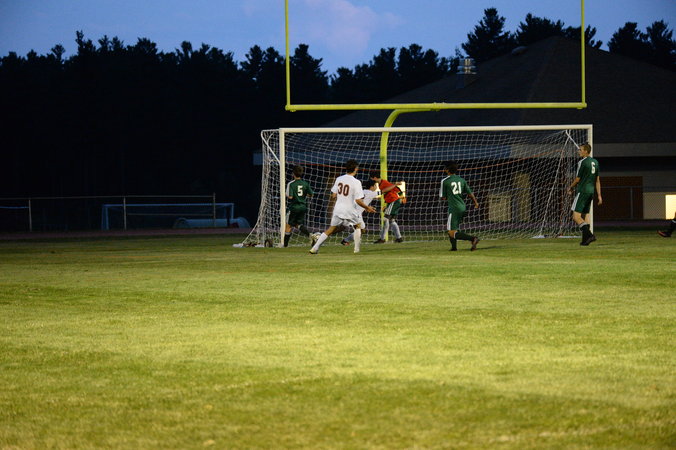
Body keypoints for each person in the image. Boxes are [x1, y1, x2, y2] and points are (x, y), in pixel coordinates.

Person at [310, 160, 376, 254]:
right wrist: (367, 207)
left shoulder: (339, 179)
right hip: (349, 209)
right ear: (355, 169)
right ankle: (356, 250)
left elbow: (333, 195)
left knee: (331, 229)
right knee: (358, 227)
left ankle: (315, 248)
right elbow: (358, 200)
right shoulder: (356, 182)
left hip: (338, 209)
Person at [440, 161, 480, 251]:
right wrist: (476, 203)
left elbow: (443, 197)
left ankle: (473, 239)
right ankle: (454, 248)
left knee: (451, 232)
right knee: (453, 229)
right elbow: (470, 194)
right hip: (462, 206)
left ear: (447, 170)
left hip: (454, 208)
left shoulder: (445, 181)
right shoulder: (462, 180)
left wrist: (449, 196)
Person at [569, 143, 602, 246]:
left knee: (576, 216)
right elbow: (597, 180)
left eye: (580, 149)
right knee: (586, 214)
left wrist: (570, 187)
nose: (578, 151)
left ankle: (590, 235)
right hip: (591, 192)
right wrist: (599, 195)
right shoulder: (595, 162)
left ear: (586, 151)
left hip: (582, 191)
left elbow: (577, 179)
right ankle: (585, 241)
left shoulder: (582, 162)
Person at [341, 179, 379, 246]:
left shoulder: (362, 191)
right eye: (375, 185)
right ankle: (346, 240)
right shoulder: (371, 193)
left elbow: (359, 201)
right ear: (372, 186)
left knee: (359, 230)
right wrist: (395, 186)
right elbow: (384, 191)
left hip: (351, 211)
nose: (376, 187)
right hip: (356, 214)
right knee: (361, 230)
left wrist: (366, 207)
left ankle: (345, 240)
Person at [284, 165, 315, 247]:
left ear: (293, 173)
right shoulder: (305, 183)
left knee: (288, 226)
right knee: (298, 224)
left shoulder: (291, 184)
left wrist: (284, 194)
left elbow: (290, 197)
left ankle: (285, 245)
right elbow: (311, 194)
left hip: (294, 207)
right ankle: (310, 235)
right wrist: (304, 195)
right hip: (303, 207)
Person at [370, 171, 404, 243]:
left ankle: (382, 239)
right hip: (392, 202)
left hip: (393, 201)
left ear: (375, 178)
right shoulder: (381, 183)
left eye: (371, 178)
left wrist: (402, 196)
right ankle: (399, 238)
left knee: (385, 219)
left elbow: (396, 188)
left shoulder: (384, 182)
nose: (371, 180)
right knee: (392, 221)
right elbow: (387, 194)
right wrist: (386, 205)